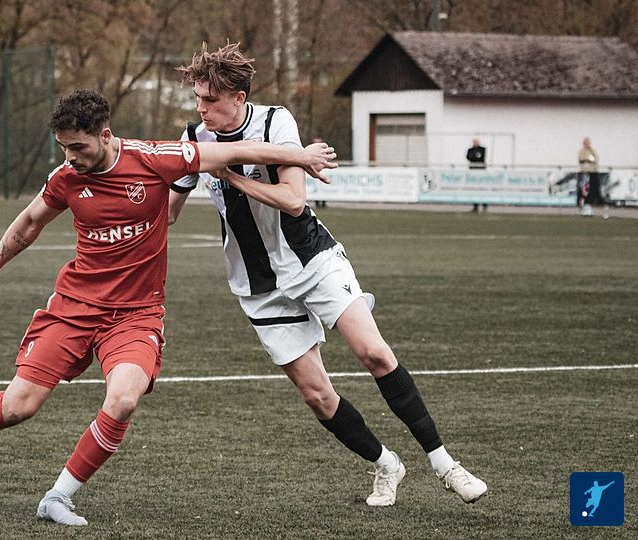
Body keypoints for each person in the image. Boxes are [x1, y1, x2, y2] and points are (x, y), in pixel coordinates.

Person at [0, 89, 337, 526]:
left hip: (136, 315)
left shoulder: (155, 159)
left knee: (123, 399)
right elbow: (28, 224)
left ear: (105, 135)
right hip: (74, 307)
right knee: (18, 407)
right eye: (63, 147)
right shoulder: (66, 177)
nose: (70, 156)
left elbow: (238, 151)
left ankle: (58, 498)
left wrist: (300, 155)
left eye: (77, 146)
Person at [168, 43, 487, 507]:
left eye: (210, 100)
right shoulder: (194, 137)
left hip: (312, 259)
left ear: (238, 97)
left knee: (374, 353)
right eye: (197, 99)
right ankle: (386, 465)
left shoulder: (276, 122)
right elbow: (169, 211)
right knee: (317, 396)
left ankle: (446, 465)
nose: (201, 108)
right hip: (258, 285)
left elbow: (293, 200)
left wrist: (227, 174)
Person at [577, 137, 607, 218]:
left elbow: (596, 159)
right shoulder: (581, 151)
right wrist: (588, 160)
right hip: (584, 174)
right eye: (585, 143)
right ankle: (585, 209)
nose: (587, 144)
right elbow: (581, 160)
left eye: (588, 142)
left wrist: (590, 160)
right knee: (584, 192)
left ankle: (598, 207)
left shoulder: (593, 150)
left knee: (595, 192)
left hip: (593, 173)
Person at [466, 138, 487, 212]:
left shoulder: (482, 149)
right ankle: (475, 206)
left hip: (481, 171)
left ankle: (484, 205)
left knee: (482, 189)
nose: (475, 143)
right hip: (473, 171)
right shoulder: (470, 150)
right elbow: (468, 157)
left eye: (476, 142)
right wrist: (475, 156)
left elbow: (481, 157)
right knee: (474, 189)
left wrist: (474, 157)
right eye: (474, 142)